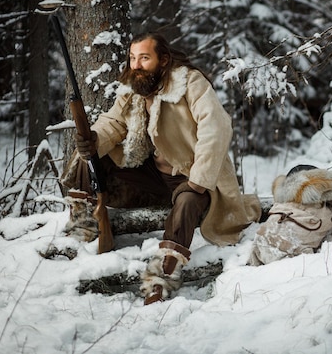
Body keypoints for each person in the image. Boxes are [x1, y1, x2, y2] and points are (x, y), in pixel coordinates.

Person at [61, 32, 261, 304]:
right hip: (153, 179)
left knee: (188, 200)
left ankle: (162, 275)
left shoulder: (189, 82)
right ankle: (81, 230)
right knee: (94, 155)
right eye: (132, 58)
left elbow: (216, 127)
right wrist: (94, 138)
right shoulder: (134, 89)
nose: (136, 65)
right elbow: (114, 123)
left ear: (163, 60)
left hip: (191, 178)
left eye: (144, 58)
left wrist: (199, 180)